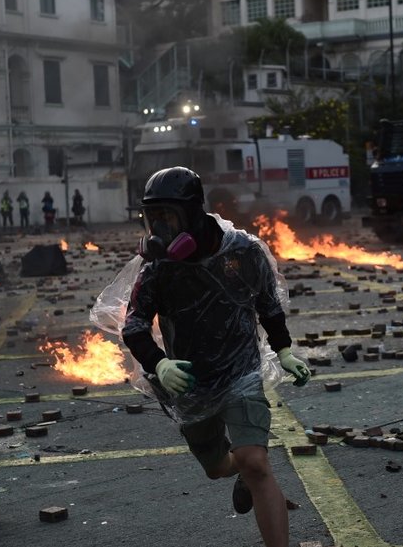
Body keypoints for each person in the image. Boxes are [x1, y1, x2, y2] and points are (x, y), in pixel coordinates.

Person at [118, 166, 310, 547]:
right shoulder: (157, 266)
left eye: (167, 217)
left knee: (257, 463)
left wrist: (284, 350)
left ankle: (251, 474)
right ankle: (235, 466)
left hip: (241, 375)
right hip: (189, 383)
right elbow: (134, 324)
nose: (159, 228)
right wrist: (159, 363)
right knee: (218, 468)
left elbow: (269, 306)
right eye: (151, 218)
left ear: (191, 212)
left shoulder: (243, 251)